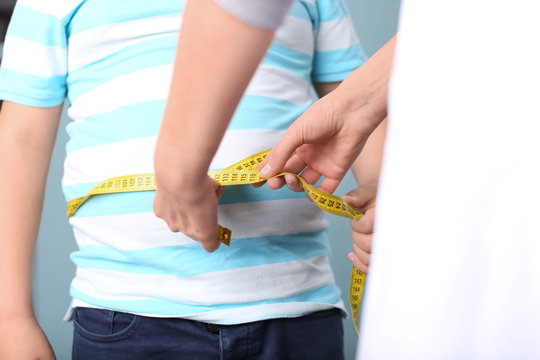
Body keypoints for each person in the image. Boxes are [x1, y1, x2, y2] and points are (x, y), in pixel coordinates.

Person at [157, 0, 540, 359]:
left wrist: (378, 192)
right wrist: (177, 175)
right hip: (125, 304)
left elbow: (353, 93)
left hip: (298, 304)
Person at [0, 0, 382, 358]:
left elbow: (356, 106)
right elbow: (21, 140)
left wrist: (383, 199)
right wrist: (10, 318)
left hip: (299, 304)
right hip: (127, 308)